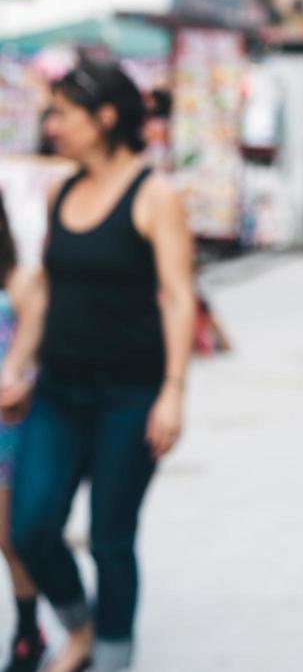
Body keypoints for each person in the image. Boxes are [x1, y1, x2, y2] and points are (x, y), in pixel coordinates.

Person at [0, 60, 194, 672]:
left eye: (63, 113)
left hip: (129, 395)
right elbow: (48, 289)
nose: (51, 126)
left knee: (111, 539)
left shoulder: (154, 196)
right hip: (57, 391)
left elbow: (181, 296)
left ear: (106, 118)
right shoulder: (62, 191)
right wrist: (17, 365)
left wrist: (173, 391)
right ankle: (78, 627)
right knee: (30, 525)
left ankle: (111, 655)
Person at [0, 196, 42, 672]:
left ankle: (28, 627)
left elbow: (39, 347)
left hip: (7, 427)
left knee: (9, 538)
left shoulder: (18, 281)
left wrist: (21, 384)